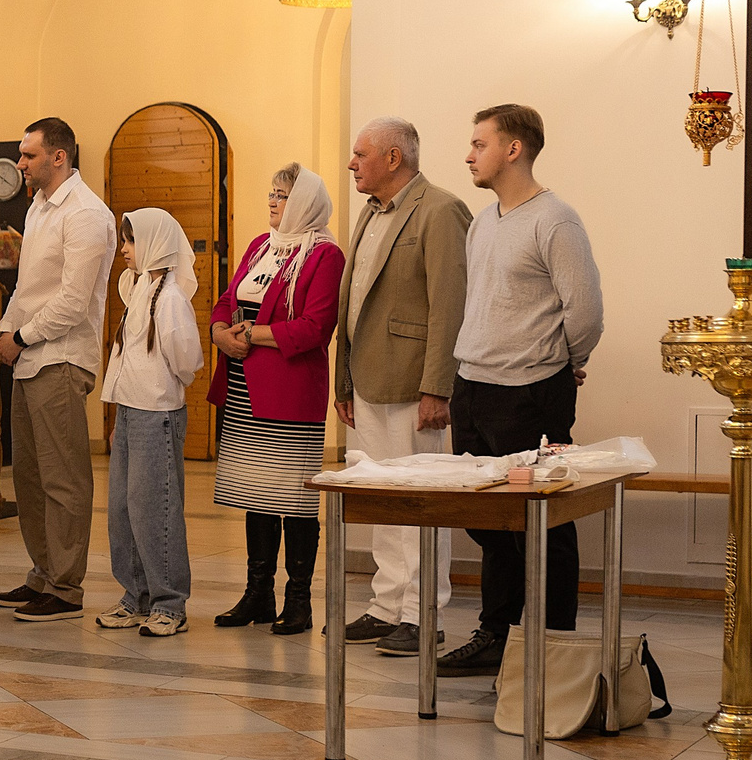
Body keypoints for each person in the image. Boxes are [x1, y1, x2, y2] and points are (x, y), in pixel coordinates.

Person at [439, 104, 605, 676]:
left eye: (479, 144)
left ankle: (552, 644)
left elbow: (585, 310)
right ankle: (498, 633)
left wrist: (564, 363)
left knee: (542, 519)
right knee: (486, 516)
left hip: (530, 390)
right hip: (473, 384)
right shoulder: (484, 220)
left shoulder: (555, 219)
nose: (468, 154)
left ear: (513, 149)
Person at [333, 117, 472, 658]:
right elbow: (355, 306)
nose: (352, 164)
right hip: (367, 381)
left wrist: (439, 386)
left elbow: (450, 306)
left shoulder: (439, 210)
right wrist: (343, 378)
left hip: (416, 384)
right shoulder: (370, 213)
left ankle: (423, 614)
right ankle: (385, 606)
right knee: (382, 499)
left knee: (419, 500)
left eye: (360, 154)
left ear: (394, 158)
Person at [208, 165, 343, 637]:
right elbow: (227, 299)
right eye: (271, 192)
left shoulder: (325, 255)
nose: (271, 201)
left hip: (291, 389)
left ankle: (299, 601)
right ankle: (258, 593)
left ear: (304, 202)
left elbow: (315, 327)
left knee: (294, 498)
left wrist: (252, 333)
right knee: (256, 493)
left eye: (282, 195)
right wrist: (221, 333)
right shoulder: (261, 247)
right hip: (246, 386)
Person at [0, 115, 115, 623]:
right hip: (29, 357)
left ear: (58, 156)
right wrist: (5, 327)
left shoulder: (85, 213)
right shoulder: (40, 206)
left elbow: (72, 300)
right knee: (30, 475)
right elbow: (27, 284)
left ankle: (65, 587)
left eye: (28, 155)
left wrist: (19, 337)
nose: (19, 163)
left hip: (60, 358)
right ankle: (43, 572)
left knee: (63, 479)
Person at [98, 207, 204, 637]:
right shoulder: (139, 288)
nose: (123, 249)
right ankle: (135, 596)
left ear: (155, 244)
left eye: (130, 241)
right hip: (129, 411)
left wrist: (151, 401)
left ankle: (169, 603)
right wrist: (120, 414)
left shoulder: (173, 298)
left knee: (155, 510)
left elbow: (187, 362)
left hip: (155, 414)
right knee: (123, 510)